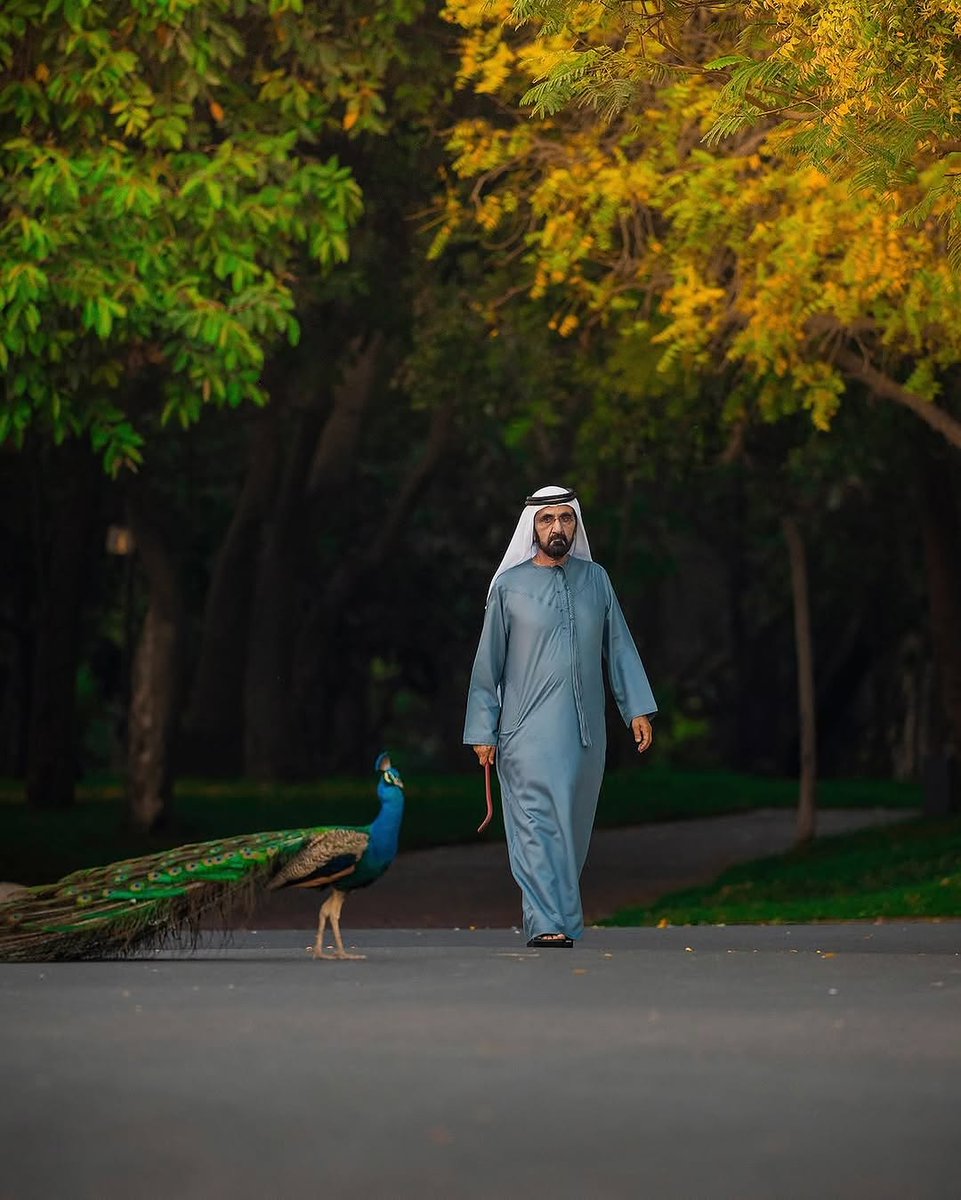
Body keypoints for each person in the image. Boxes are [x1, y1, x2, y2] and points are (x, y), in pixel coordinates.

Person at [464, 484, 656, 948]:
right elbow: (487, 665)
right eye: (547, 519)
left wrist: (637, 710)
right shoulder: (509, 587)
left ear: (575, 525)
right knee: (535, 826)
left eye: (565, 519)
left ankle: (563, 923)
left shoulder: (597, 581)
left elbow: (619, 647)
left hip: (585, 735)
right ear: (533, 526)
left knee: (571, 828)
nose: (557, 528)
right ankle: (546, 922)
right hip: (523, 735)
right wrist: (481, 729)